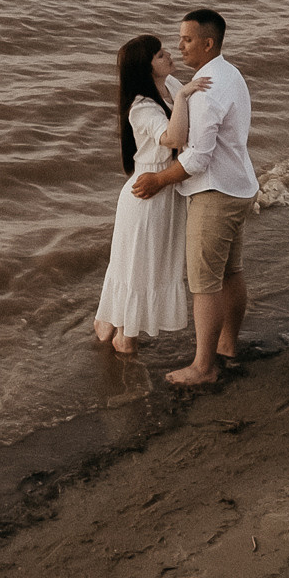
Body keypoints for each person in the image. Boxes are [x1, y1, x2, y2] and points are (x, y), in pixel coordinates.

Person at [132, 8, 256, 387]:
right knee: (230, 273)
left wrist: (159, 180)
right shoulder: (229, 73)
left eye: (187, 39)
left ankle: (203, 367)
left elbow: (198, 159)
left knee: (205, 284)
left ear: (207, 43)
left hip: (214, 194)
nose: (180, 45)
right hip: (240, 186)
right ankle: (228, 346)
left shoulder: (205, 90)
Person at [93, 32, 191, 356]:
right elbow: (173, 138)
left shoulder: (172, 87)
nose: (168, 56)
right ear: (146, 67)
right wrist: (188, 95)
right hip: (146, 196)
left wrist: (186, 93)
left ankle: (110, 325)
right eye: (160, 54)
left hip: (167, 190)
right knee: (135, 266)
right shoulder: (142, 106)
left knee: (146, 265)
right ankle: (123, 337)